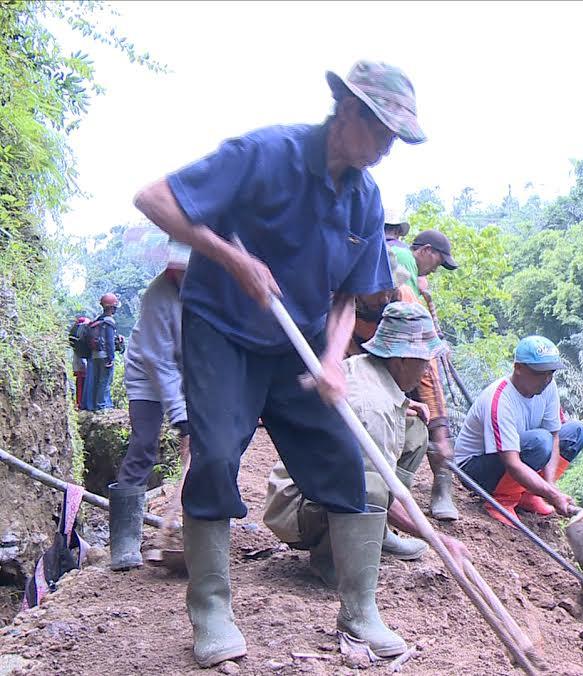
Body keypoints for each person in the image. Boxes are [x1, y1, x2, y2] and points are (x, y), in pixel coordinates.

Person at [132, 60, 425, 667]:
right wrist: (231, 259)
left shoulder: (366, 201)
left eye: (398, 138)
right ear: (348, 112)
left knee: (349, 464)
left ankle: (360, 612)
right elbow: (153, 197)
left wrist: (334, 359)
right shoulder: (266, 153)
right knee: (213, 458)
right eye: (384, 132)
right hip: (223, 333)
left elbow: (350, 295)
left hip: (298, 348)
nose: (388, 149)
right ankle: (211, 609)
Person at [263, 302, 468, 586]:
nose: (425, 372)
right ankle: (331, 557)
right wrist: (437, 539)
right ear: (400, 361)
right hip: (298, 505)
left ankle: (376, 534)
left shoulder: (369, 368)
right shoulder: (374, 410)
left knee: (415, 429)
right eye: (422, 361)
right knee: (371, 487)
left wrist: (405, 405)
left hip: (319, 485)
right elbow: (369, 491)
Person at [352, 226, 461, 522]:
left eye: (388, 289)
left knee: (430, 422)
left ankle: (441, 483)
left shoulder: (403, 296)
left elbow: (425, 364)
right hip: (369, 358)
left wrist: (436, 424)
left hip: (409, 354)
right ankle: (375, 499)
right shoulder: (346, 302)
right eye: (378, 290)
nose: (384, 296)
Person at [107, 241, 192, 572]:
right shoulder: (157, 295)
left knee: (207, 448)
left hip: (188, 374)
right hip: (147, 375)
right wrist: (183, 421)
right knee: (143, 445)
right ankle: (125, 543)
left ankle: (192, 532)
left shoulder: (209, 287)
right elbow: (160, 364)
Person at [454, 336, 583, 526]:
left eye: (551, 372)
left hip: (516, 454)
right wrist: (553, 495)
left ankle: (527, 494)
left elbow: (555, 435)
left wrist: (550, 488)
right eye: (540, 373)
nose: (547, 379)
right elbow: (512, 463)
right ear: (519, 368)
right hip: (474, 469)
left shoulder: (548, 387)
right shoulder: (500, 399)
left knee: (575, 433)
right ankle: (502, 500)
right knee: (540, 442)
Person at [82, 293, 119, 411]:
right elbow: (109, 342)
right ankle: (102, 406)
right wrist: (111, 358)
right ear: (113, 307)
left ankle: (92, 406)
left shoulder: (98, 320)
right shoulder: (109, 321)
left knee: (94, 381)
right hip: (104, 357)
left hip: (94, 356)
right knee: (105, 381)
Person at [68, 316, 90, 410]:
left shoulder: (75, 338)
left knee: (80, 384)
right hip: (82, 364)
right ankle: (80, 404)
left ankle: (80, 403)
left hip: (79, 363)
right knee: (82, 384)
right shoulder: (81, 338)